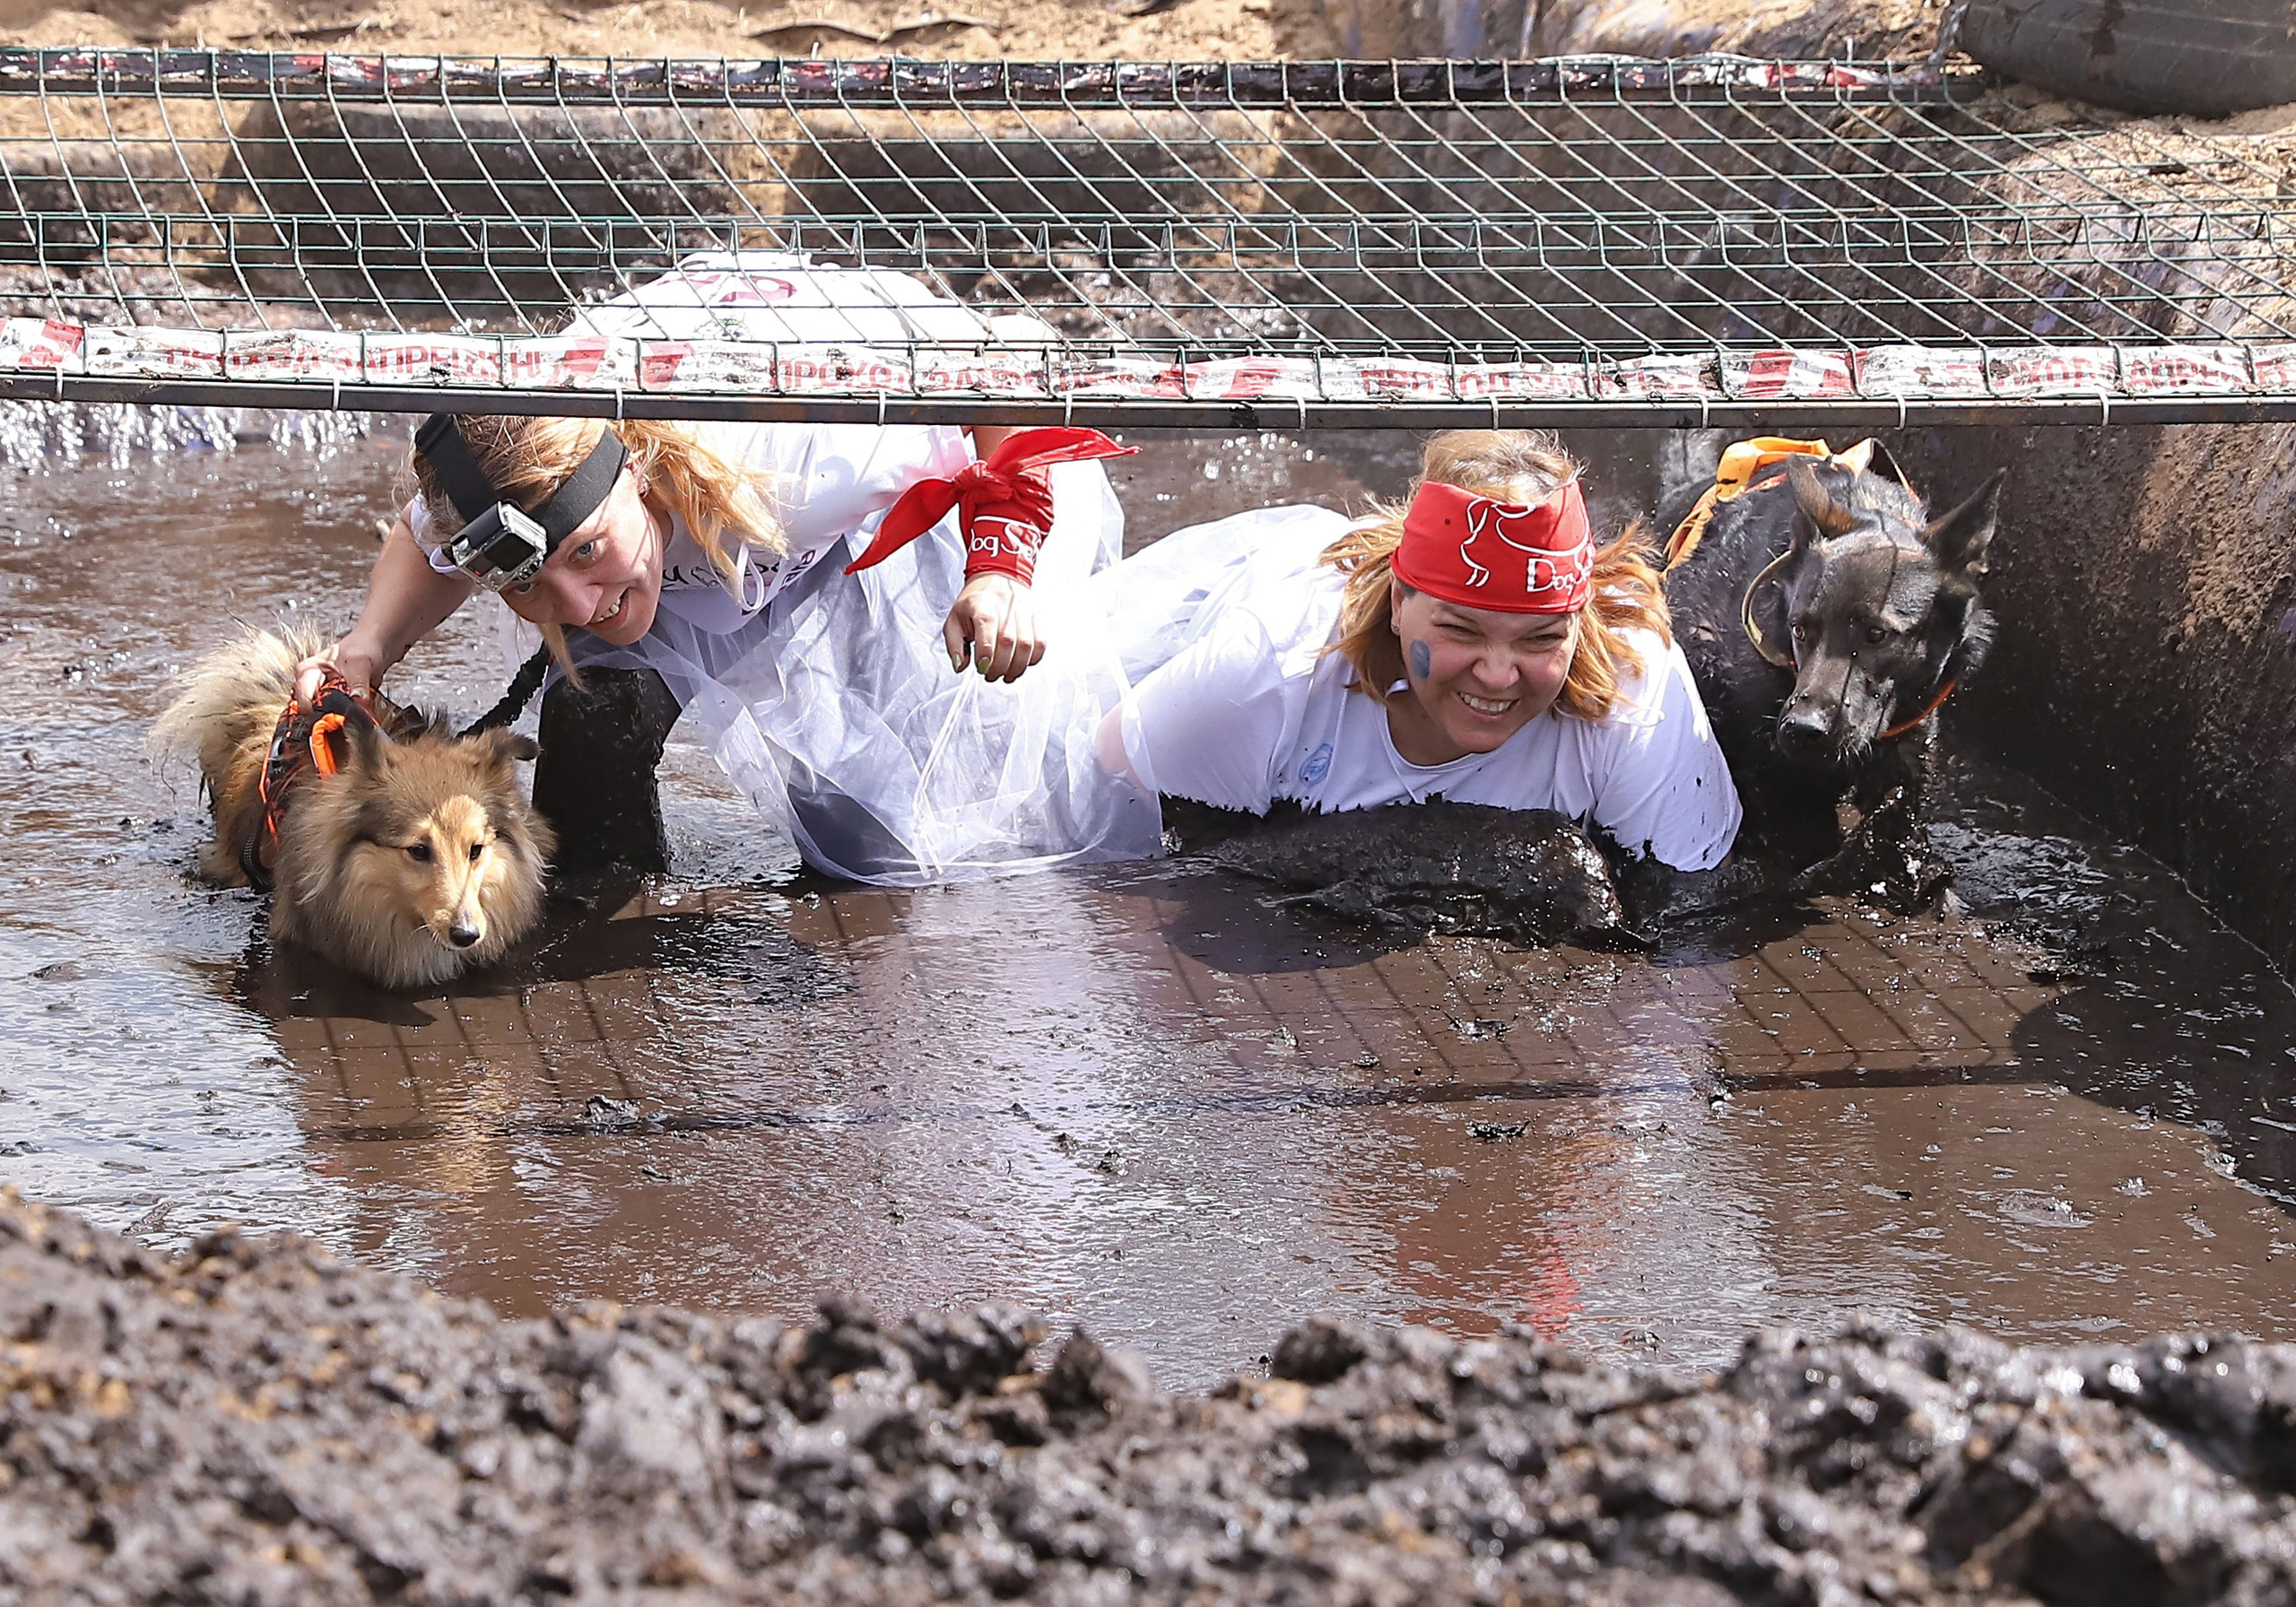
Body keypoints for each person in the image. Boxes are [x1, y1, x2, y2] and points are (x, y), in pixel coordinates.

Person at [297, 263, 1157, 883]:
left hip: (867, 514)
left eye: (586, 551)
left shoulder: (820, 455)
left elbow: (1010, 372)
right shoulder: (503, 465)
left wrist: (998, 566)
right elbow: (430, 540)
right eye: (527, 586)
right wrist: (367, 650)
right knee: (592, 705)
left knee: (876, 844)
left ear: (633, 465)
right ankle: (601, 906)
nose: (575, 604)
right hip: (670, 542)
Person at [1098, 430, 1741, 872]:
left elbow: (1690, 908)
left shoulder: (1634, 686)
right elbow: (1111, 786)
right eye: (1462, 632)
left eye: (1541, 638)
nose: (1496, 675)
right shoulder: (1268, 671)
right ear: (1401, 603)